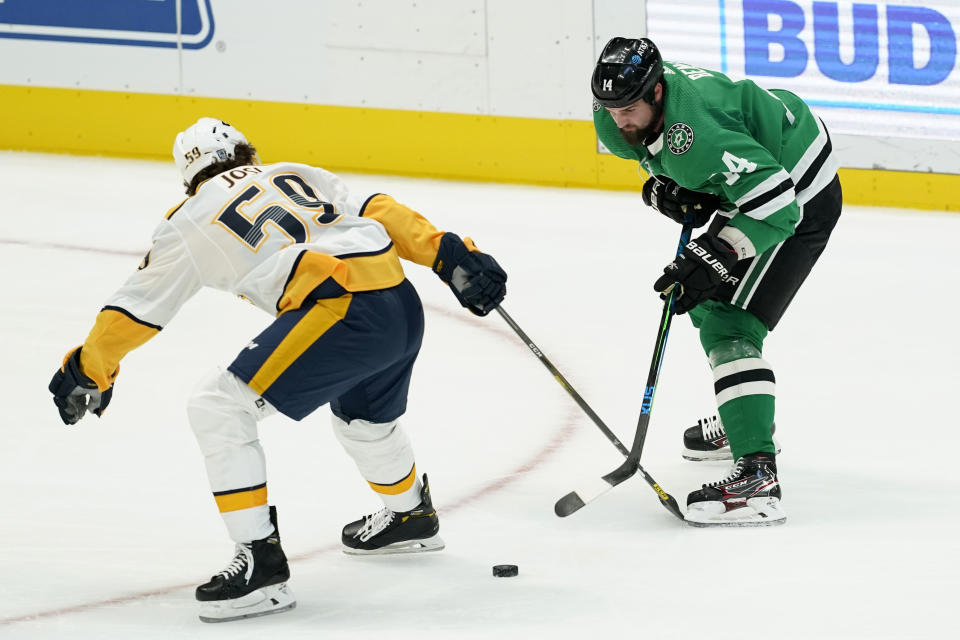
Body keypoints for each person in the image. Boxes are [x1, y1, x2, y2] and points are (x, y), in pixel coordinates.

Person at [47, 117, 508, 621]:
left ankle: (261, 568)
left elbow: (135, 308)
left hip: (343, 310)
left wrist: (89, 369)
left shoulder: (190, 217)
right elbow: (379, 210)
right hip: (398, 302)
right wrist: (451, 256)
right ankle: (411, 515)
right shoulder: (293, 172)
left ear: (189, 176)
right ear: (246, 152)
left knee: (217, 406)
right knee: (364, 422)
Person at [591, 38, 841, 526]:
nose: (619, 120)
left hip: (796, 190)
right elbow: (663, 159)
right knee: (701, 300)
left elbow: (780, 207)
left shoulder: (700, 134)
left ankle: (757, 477)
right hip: (754, 165)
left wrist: (720, 254)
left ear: (658, 92)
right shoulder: (620, 114)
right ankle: (743, 415)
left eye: (630, 108)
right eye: (610, 108)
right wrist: (662, 188)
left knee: (728, 323)